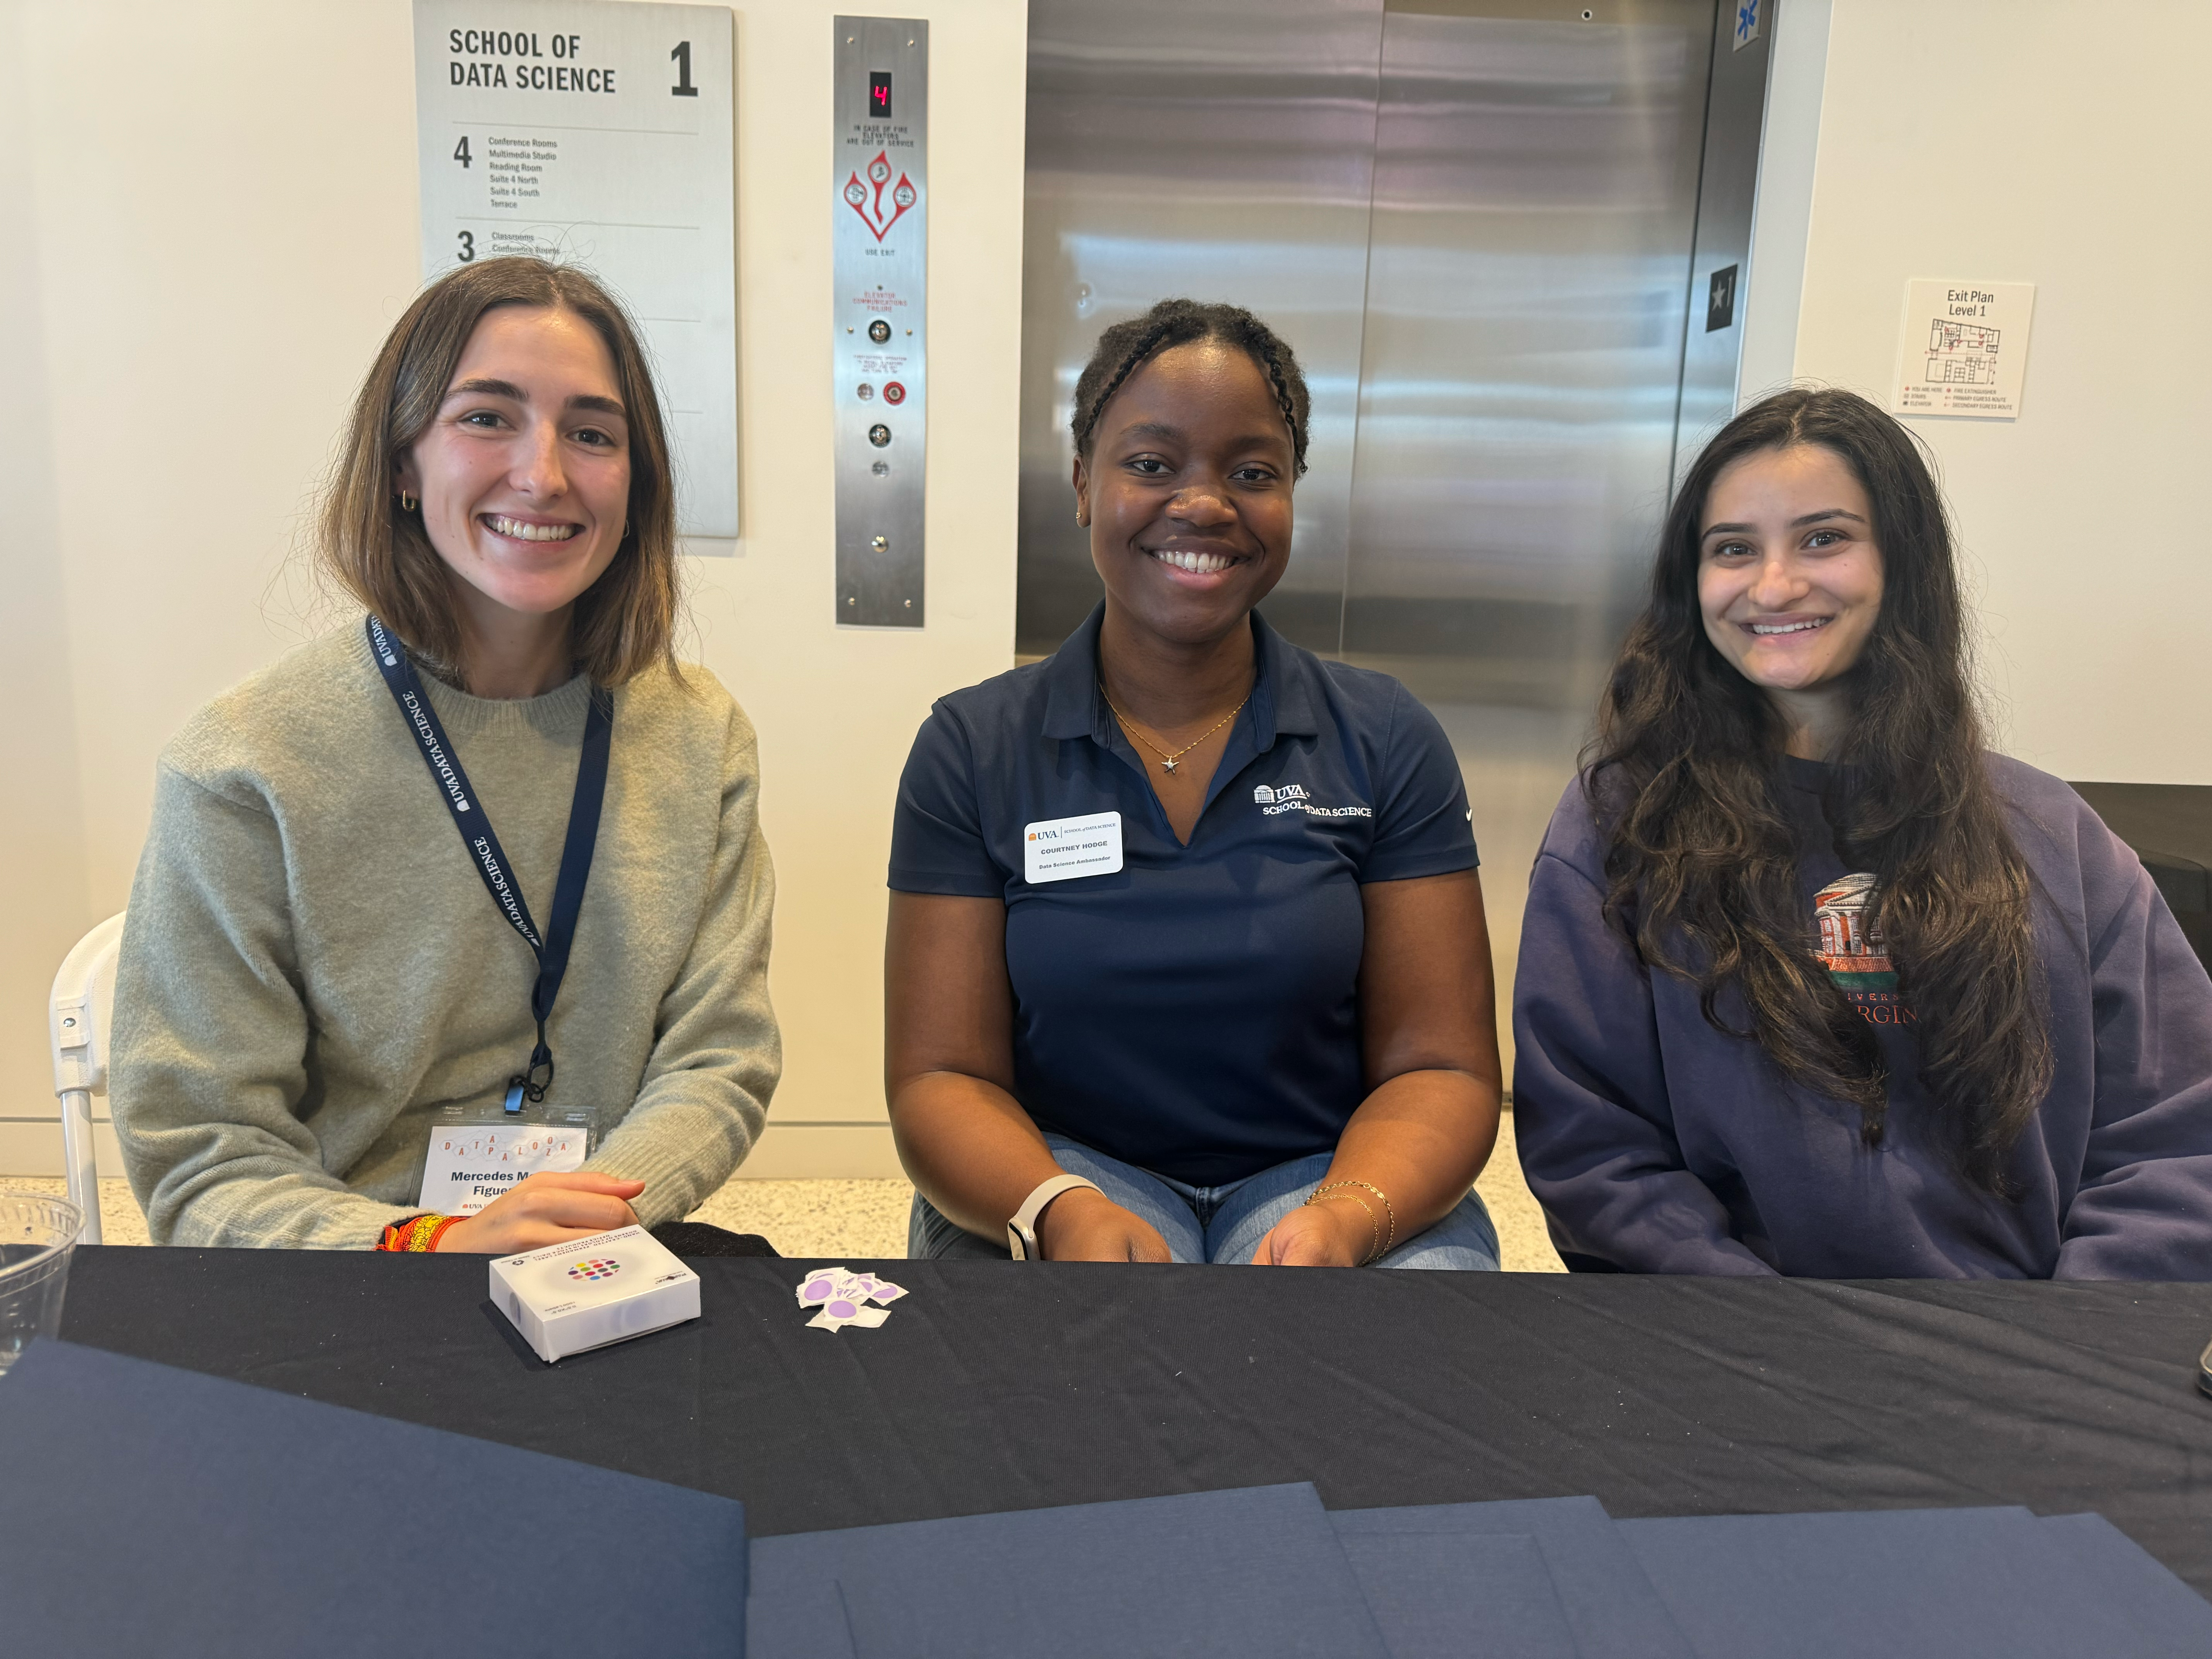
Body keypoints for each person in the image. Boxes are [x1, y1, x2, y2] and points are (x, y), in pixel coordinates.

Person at [111, 257, 779, 1252]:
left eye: (592, 434)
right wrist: (436, 1248)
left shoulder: (698, 734)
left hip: (603, 1242)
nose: (544, 475)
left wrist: (582, 1216)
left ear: (636, 488)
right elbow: (204, 1153)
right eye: (486, 418)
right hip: (347, 1280)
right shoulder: (244, 765)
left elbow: (717, 1057)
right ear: (400, 463)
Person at [1512, 387, 2212, 1278]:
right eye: (1733, 549)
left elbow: (2178, 1138)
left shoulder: (2054, 834)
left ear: (1902, 563)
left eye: (1823, 538)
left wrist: (2055, 1346)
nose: (1774, 584)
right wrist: (1771, 1350)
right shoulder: (1620, 828)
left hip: (2025, 1352)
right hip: (1729, 1353)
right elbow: (1596, 1152)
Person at [886, 299, 1503, 1267]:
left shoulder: (1386, 737)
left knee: (1393, 1384)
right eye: (1151, 464)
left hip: (1329, 1170)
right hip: (1062, 1172)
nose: (1206, 504)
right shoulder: (974, 747)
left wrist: (1350, 1214)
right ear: (1085, 483)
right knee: (1051, 1391)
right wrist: (1057, 1210)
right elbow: (941, 1076)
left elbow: (1443, 1066)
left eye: (1252, 473)